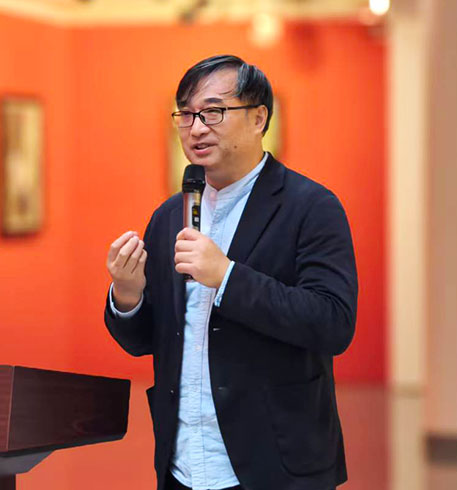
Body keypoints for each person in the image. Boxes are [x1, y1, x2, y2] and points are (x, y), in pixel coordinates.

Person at [104, 54, 358, 490]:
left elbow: (333, 323)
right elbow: (145, 341)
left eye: (213, 112)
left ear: (259, 118)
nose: (196, 128)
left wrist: (227, 277)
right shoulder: (170, 215)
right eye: (186, 115)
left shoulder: (311, 207)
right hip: (184, 462)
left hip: (276, 465)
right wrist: (128, 295)